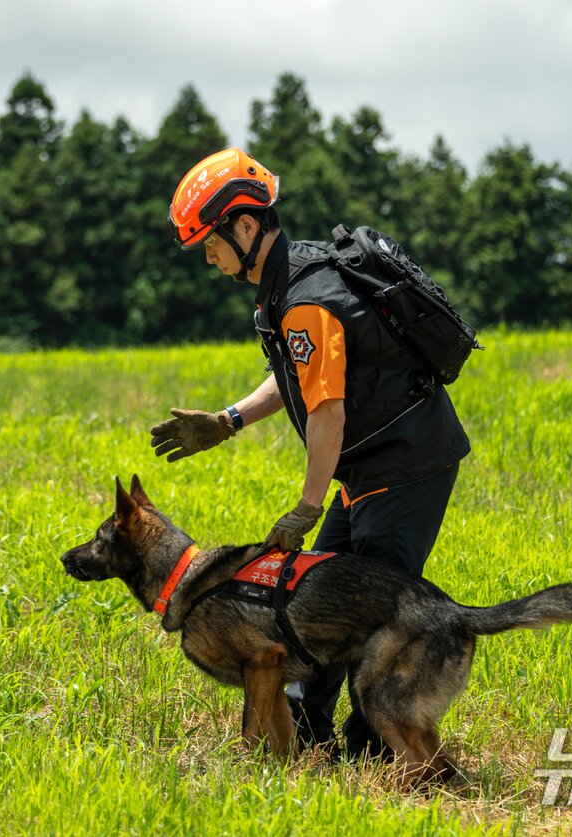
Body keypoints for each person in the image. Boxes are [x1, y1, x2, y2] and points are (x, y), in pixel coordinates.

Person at [149, 147, 470, 759]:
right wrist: (228, 419)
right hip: (366, 466)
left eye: (210, 244)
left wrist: (306, 508)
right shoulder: (285, 285)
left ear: (245, 226)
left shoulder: (307, 299)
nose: (209, 259)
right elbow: (298, 377)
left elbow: (327, 412)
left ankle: (377, 747)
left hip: (404, 467)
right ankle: (305, 725)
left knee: (379, 616)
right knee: (312, 600)